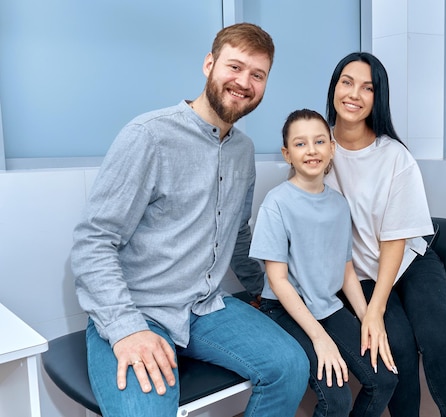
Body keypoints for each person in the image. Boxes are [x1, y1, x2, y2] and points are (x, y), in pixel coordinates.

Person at [70, 23, 309, 417]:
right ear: (209, 64)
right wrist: (127, 328)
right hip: (138, 308)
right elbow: (93, 241)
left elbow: (238, 233)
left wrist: (266, 292)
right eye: (234, 67)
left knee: (291, 366)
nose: (244, 82)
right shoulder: (148, 136)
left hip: (205, 307)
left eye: (257, 74)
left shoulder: (243, 151)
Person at [324, 52, 446, 417]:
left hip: (409, 259)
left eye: (367, 87)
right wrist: (369, 309)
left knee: (438, 338)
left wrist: (376, 309)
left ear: (378, 97)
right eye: (347, 82)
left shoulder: (394, 156)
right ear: (334, 87)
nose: (354, 94)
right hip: (358, 271)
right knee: (397, 347)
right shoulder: (317, 148)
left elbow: (396, 240)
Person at [250, 109, 398, 417]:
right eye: (300, 144)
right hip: (284, 308)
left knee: (384, 380)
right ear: (286, 154)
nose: (311, 150)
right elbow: (277, 281)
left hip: (328, 306)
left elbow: (346, 270)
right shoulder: (276, 203)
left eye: (319, 141)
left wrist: (368, 318)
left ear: (331, 148)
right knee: (337, 399)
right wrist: (320, 339)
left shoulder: (338, 205)